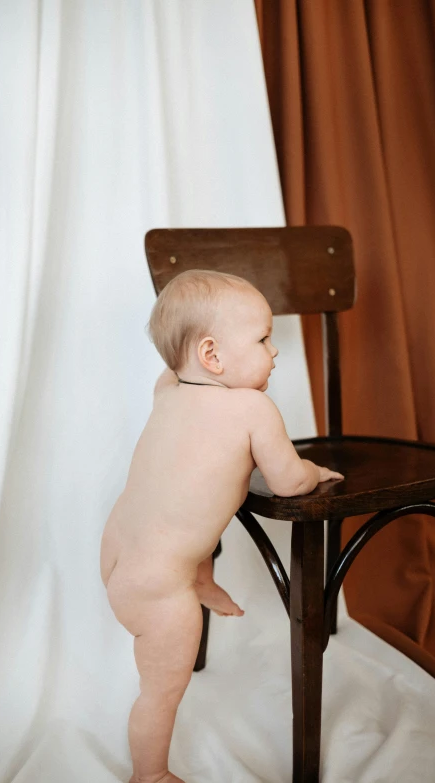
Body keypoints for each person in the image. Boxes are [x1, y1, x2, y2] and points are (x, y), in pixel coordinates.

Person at [100, 269, 344, 783]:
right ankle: (150, 775)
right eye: (262, 339)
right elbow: (288, 481)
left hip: (120, 553)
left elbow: (177, 376)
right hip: (160, 592)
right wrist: (315, 470)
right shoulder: (252, 408)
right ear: (212, 357)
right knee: (160, 692)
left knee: (187, 515)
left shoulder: (167, 390)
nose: (274, 352)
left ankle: (202, 578)